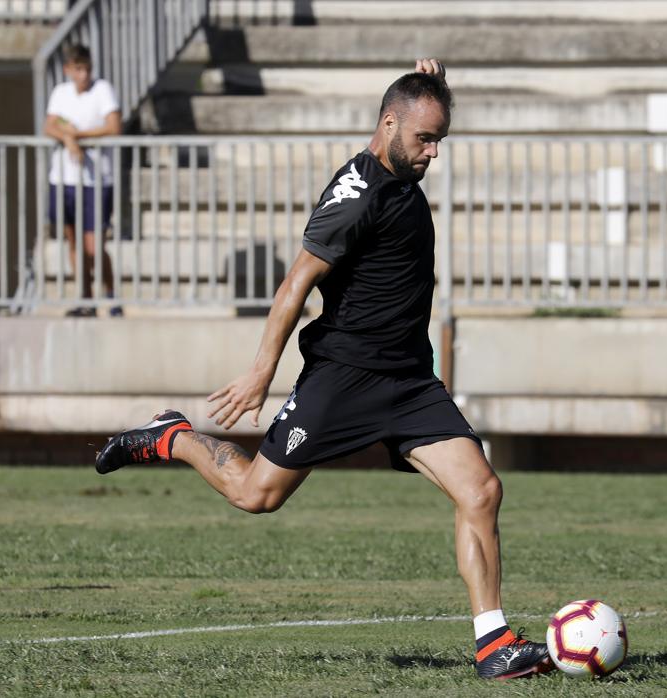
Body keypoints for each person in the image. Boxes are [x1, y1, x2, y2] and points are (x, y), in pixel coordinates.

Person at [94, 59, 553, 680]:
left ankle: (493, 643)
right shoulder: (354, 194)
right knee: (256, 495)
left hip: (409, 380)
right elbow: (295, 283)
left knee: (482, 491)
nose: (432, 154)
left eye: (439, 141)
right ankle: (173, 436)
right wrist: (261, 372)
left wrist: (434, 87)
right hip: (343, 376)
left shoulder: (403, 157)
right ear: (388, 124)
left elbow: (417, 106)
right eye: (424, 139)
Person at [43, 43, 123, 316]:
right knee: (74, 242)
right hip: (64, 178)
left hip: (96, 180)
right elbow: (49, 125)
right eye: (78, 69)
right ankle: (86, 299)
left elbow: (113, 127)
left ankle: (111, 294)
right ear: (68, 70)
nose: (84, 75)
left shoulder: (103, 90)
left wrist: (77, 137)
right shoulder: (61, 93)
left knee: (93, 245)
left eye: (87, 69)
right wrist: (67, 137)